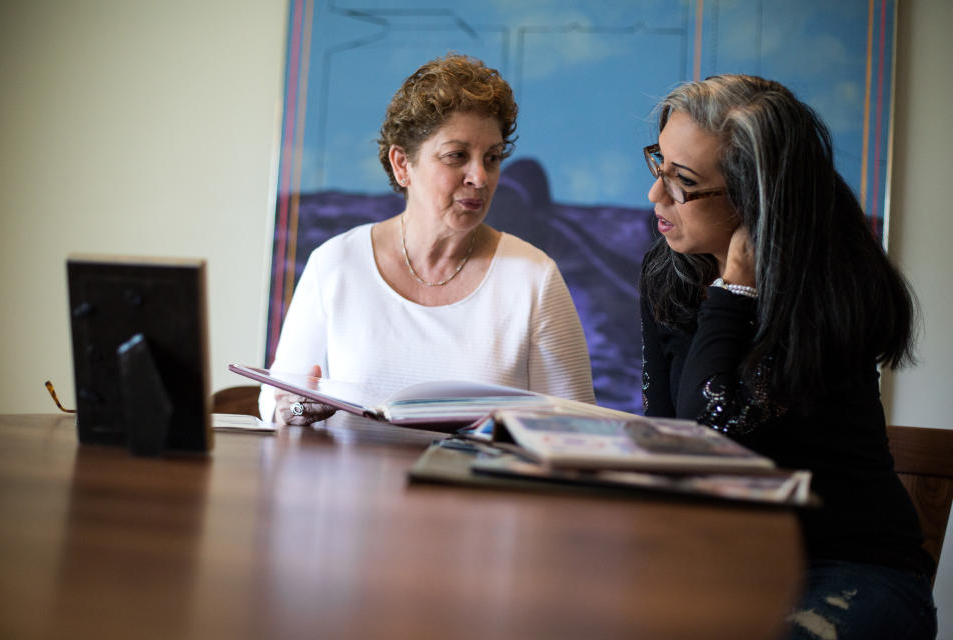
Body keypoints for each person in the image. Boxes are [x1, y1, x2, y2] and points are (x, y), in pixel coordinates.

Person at [638, 74, 937, 639]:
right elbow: (667, 439)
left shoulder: (833, 289)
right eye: (659, 167)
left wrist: (732, 293)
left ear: (754, 199)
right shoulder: (667, 270)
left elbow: (709, 437)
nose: (657, 195)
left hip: (845, 570)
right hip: (718, 562)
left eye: (683, 182)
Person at [259, 53, 594, 424]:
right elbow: (276, 403)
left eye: (493, 158)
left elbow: (578, 429)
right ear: (403, 164)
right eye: (457, 156)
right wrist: (298, 409)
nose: (480, 177)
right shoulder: (335, 264)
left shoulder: (534, 278)